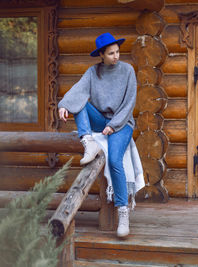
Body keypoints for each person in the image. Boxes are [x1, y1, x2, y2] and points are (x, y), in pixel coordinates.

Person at [58, 32, 137, 238]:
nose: (116, 56)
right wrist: (63, 105)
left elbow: (129, 104)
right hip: (100, 121)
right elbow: (78, 91)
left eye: (117, 52)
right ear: (101, 55)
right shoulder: (93, 72)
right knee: (79, 101)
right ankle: (88, 141)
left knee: (114, 160)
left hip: (122, 123)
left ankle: (123, 212)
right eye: (111, 53)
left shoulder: (128, 71)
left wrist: (114, 125)